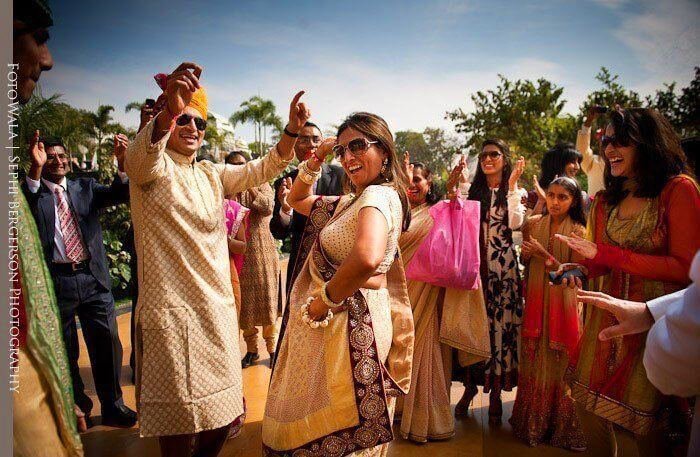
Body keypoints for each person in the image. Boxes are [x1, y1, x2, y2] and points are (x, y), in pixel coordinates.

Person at [125, 61, 301, 457]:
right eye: (184, 119)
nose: (192, 129)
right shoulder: (149, 170)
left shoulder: (209, 173)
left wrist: (290, 132)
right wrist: (168, 111)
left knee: (223, 415)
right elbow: (138, 158)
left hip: (216, 315)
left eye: (199, 123)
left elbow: (262, 169)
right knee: (177, 421)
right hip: (171, 315)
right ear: (167, 119)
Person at [262, 112, 414, 456]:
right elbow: (296, 200)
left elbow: (366, 258)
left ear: (385, 152)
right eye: (342, 151)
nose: (347, 157)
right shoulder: (352, 201)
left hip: (350, 320)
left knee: (338, 423)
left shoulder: (376, 196)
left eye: (358, 146)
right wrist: (317, 156)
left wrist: (324, 302)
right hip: (352, 319)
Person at [556, 108, 700, 456]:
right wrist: (580, 271)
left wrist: (607, 254)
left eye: (622, 141)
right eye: (607, 142)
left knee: (649, 429)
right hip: (603, 328)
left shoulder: (678, 190)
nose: (609, 150)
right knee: (586, 409)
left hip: (653, 325)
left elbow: (686, 268)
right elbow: (600, 262)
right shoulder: (606, 199)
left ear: (648, 144)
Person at [22, 134, 136, 428]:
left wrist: (122, 163)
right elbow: (27, 208)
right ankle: (80, 407)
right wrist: (34, 171)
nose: (57, 161)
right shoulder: (31, 193)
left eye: (61, 156)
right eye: (50, 156)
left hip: (92, 278)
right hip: (56, 282)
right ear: (40, 159)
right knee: (65, 348)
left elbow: (119, 194)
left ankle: (113, 407)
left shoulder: (84, 187)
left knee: (107, 344)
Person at [12, 3, 84, 454]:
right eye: (38, 36)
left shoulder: (84, 189)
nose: (47, 59)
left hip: (87, 281)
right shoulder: (31, 187)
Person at [398, 159, 490, 443]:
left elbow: (457, 212)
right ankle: (400, 412)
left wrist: (453, 187)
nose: (413, 184)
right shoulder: (396, 212)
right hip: (397, 293)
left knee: (425, 350)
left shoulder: (436, 212)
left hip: (426, 295)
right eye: (408, 179)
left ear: (428, 184)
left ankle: (428, 421)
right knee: (397, 351)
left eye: (418, 179)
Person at [576, 250, 700, 457]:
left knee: (643, 421)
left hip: (654, 329)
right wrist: (584, 268)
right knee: (587, 405)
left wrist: (654, 314)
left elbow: (673, 371)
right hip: (621, 312)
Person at [509, 176, 587, 450]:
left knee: (561, 360)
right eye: (551, 195)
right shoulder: (533, 224)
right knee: (535, 357)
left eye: (562, 197)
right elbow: (525, 261)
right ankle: (532, 423)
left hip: (564, 306)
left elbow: (580, 273)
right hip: (537, 302)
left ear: (574, 201)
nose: (554, 202)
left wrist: (545, 256)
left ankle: (562, 428)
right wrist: (529, 256)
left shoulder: (579, 231)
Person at [457, 139, 527, 423]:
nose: (487, 159)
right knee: (473, 329)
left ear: (504, 157)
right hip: (474, 272)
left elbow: (516, 224)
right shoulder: (473, 191)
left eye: (494, 154)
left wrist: (511, 186)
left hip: (503, 273)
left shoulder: (515, 192)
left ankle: (496, 393)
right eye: (483, 155)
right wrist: (460, 185)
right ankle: (470, 387)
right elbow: (459, 221)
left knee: (499, 331)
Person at [228, 152, 281, 369]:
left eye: (242, 165)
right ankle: (251, 350)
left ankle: (272, 349)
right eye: (233, 167)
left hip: (263, 253)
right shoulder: (225, 190)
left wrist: (249, 184)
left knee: (268, 299)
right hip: (237, 254)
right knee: (244, 304)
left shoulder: (262, 184)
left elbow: (267, 206)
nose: (238, 170)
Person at [528, 142, 586, 215]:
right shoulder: (535, 195)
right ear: (557, 164)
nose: (577, 167)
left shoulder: (579, 196)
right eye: (572, 162)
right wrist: (541, 201)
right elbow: (526, 226)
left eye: (578, 162)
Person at [577, 106, 607, 198]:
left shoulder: (625, 163)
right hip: (594, 211)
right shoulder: (593, 163)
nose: (607, 143)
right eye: (603, 139)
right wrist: (588, 121)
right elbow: (582, 148)